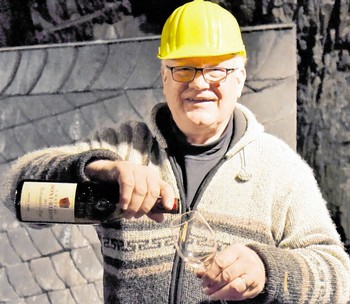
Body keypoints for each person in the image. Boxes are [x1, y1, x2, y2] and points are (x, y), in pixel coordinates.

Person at [2, 0, 350, 303]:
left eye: (216, 69)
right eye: (183, 68)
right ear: (164, 76)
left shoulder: (280, 169)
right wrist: (96, 170)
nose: (199, 82)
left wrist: (267, 269)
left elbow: (338, 278)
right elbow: (17, 194)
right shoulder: (121, 148)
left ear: (240, 78)